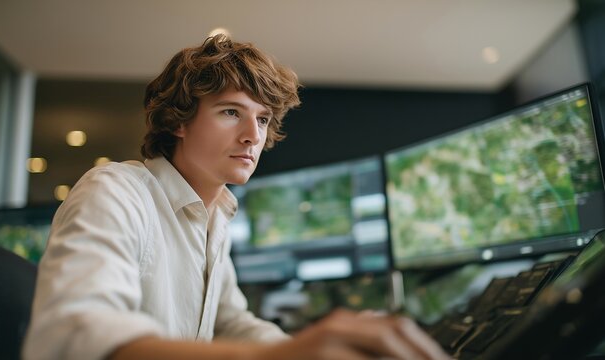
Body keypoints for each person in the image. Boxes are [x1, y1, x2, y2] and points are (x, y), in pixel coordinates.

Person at [22, 35, 450, 360]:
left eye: (262, 119)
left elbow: (230, 321)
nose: (253, 136)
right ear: (179, 122)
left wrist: (310, 349)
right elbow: (73, 334)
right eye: (231, 112)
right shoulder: (115, 191)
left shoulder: (215, 215)